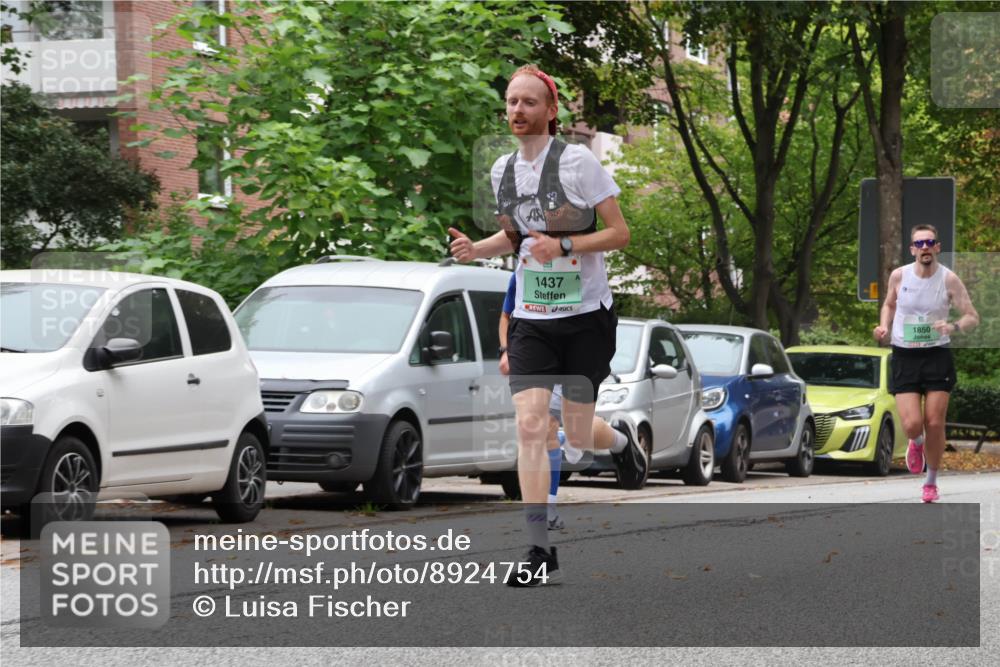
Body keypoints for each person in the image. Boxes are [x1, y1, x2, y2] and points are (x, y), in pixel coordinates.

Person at [450, 64, 646, 586]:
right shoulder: (502, 171)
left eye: (529, 102)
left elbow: (620, 233)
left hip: (585, 318)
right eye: (511, 102)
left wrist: (564, 244)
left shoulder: (578, 163)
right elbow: (516, 238)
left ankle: (623, 444)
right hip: (533, 320)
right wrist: (478, 249)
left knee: (578, 434)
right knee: (533, 427)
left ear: (551, 111)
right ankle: (537, 549)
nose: (517, 111)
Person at [499, 272, 635, 531]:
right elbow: (506, 316)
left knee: (578, 439)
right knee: (543, 426)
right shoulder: (524, 272)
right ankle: (547, 510)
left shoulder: (580, 270)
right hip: (541, 359)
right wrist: (506, 350)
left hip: (574, 358)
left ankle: (622, 441)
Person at [873, 224, 979, 503]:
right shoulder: (899, 275)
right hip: (905, 355)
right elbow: (889, 304)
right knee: (912, 424)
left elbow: (972, 316)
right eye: (919, 244)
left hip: (936, 355)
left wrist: (953, 326)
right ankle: (916, 443)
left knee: (934, 422)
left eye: (929, 242)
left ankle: (930, 483)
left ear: (937, 247)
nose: (925, 248)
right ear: (912, 250)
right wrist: (883, 326)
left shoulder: (949, 279)